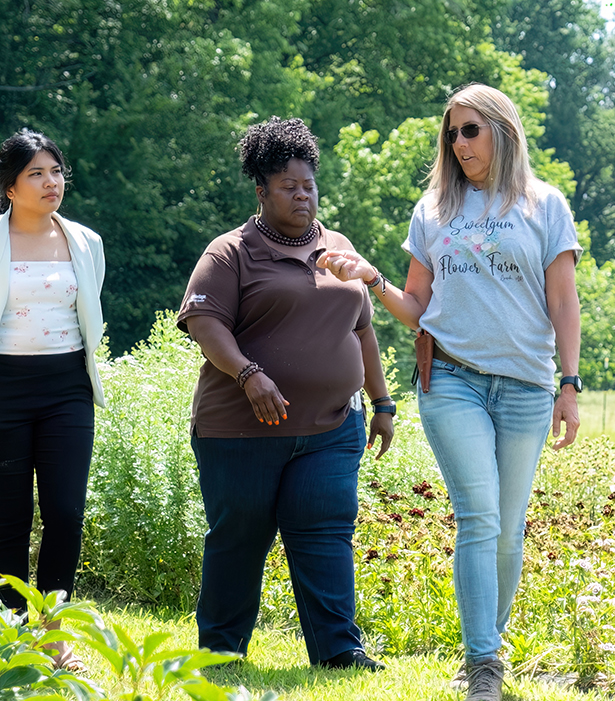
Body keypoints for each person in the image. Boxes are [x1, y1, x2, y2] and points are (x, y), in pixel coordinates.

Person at [318, 83, 583, 701]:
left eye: (471, 130)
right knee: (479, 514)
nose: (459, 143)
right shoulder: (434, 210)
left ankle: (489, 647)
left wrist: (569, 384)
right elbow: (416, 308)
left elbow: (564, 302)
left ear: (503, 131)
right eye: (452, 132)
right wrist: (369, 277)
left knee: (510, 526)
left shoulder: (545, 206)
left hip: (525, 385)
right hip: (452, 378)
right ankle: (483, 664)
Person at [177, 116, 395, 671]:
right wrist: (250, 374)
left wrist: (382, 401)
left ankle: (340, 652)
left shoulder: (339, 247)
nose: (303, 196)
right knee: (240, 537)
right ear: (261, 191)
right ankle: (222, 653)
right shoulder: (231, 252)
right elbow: (206, 325)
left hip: (329, 427)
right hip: (242, 430)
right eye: (288, 187)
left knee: (325, 531)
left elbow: (362, 329)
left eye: (309, 186)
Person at [0, 129, 107, 646]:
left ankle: (54, 636)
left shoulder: (86, 241)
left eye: (56, 171)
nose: (50, 182)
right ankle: (9, 635)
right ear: (10, 187)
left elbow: (88, 313)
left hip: (67, 389)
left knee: (65, 511)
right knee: (10, 518)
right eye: (35, 173)